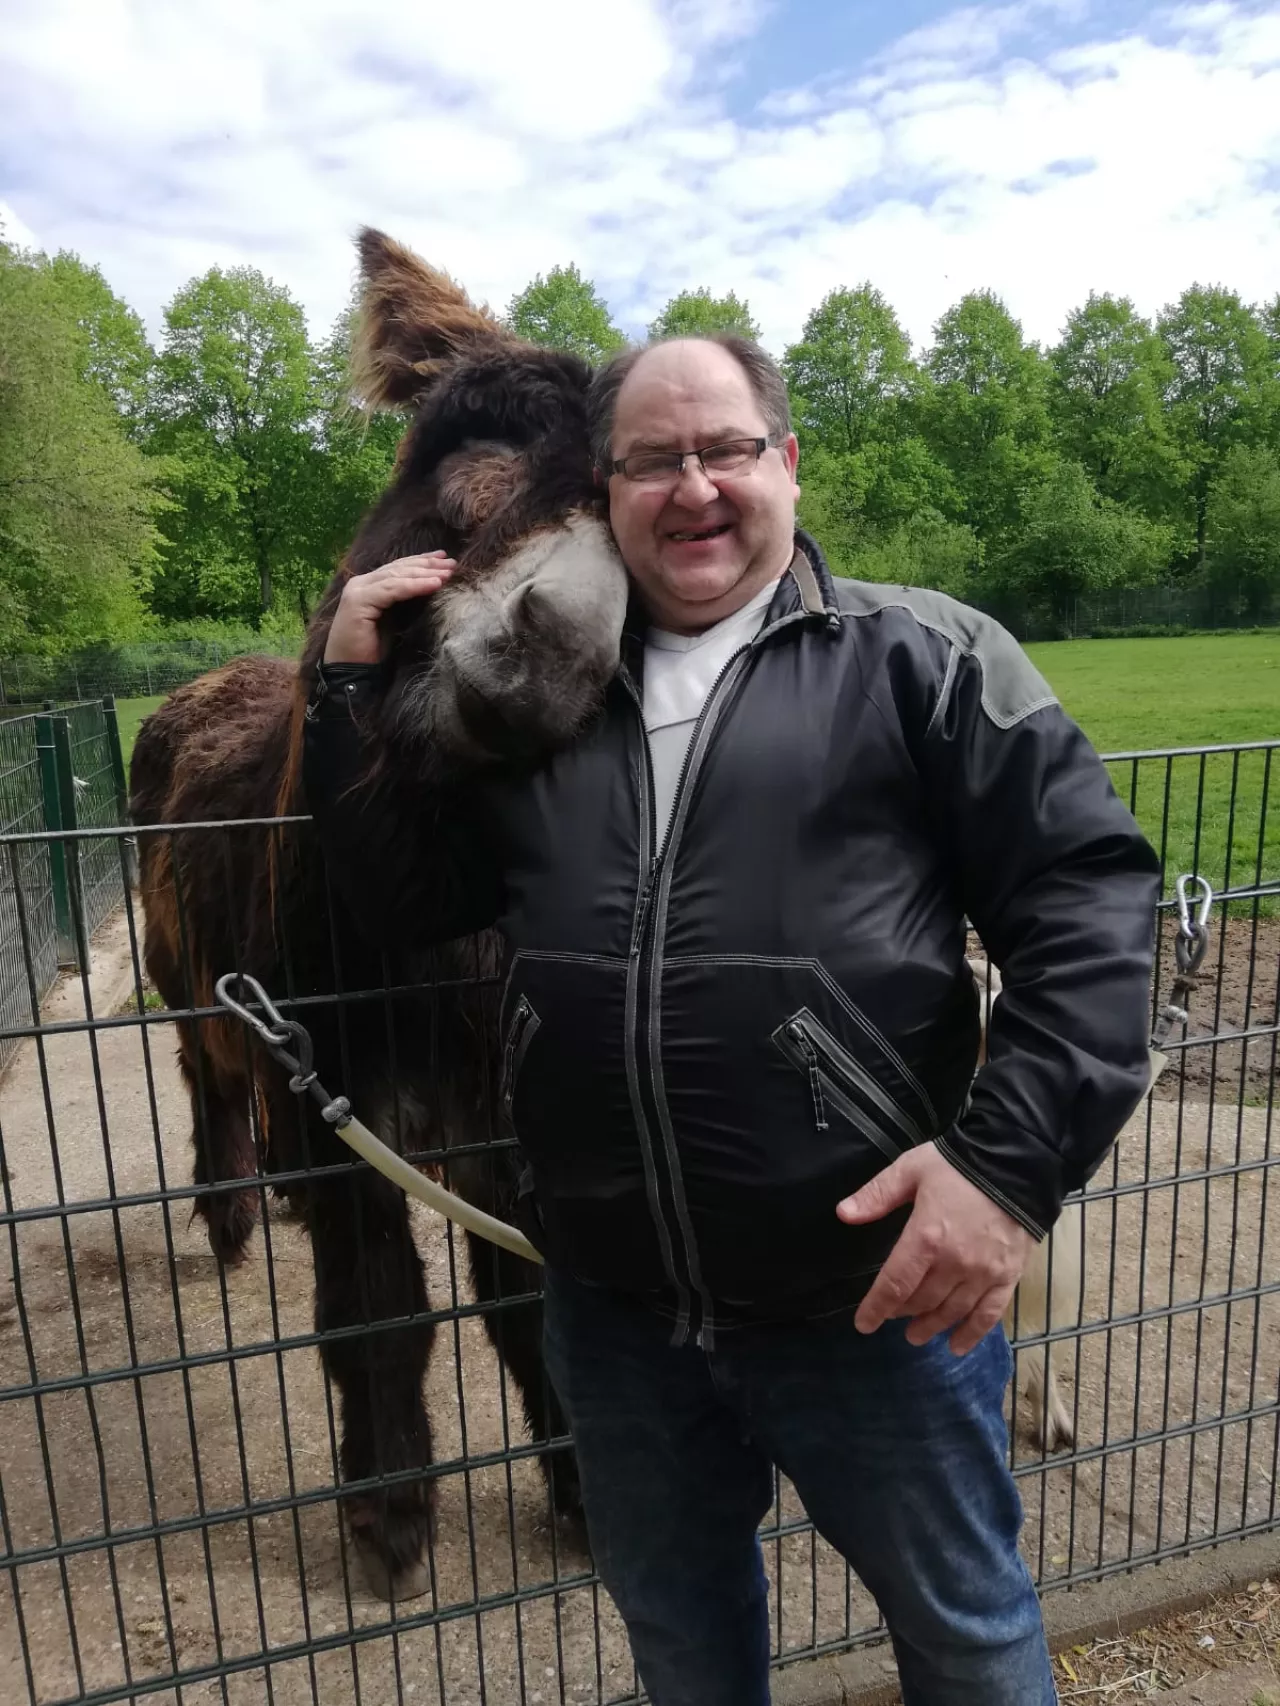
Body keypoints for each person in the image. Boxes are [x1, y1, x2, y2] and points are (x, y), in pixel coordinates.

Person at [302, 335, 1161, 1706]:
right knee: (684, 1651)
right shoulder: (550, 696)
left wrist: (1004, 1174)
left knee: (968, 1636)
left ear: (787, 463)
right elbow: (403, 898)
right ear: (605, 490)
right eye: (652, 460)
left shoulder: (923, 657)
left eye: (725, 450)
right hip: (616, 1314)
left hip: (870, 1301)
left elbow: (1091, 904)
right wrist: (347, 687)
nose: (692, 487)